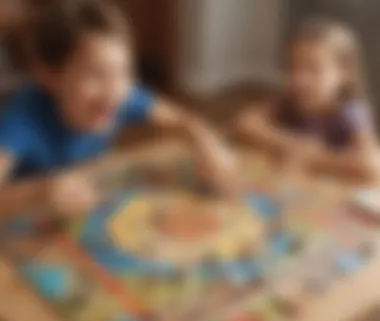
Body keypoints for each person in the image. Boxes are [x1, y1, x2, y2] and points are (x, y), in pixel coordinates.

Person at [0, 0, 238, 215]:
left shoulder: (119, 95)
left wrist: (206, 141)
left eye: (123, 72)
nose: (113, 90)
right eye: (95, 74)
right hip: (29, 222)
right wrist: (41, 191)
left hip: (85, 206)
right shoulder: (22, 119)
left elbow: (181, 120)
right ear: (48, 76)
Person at [236, 18, 379, 178]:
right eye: (292, 67)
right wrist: (292, 144)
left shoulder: (350, 111)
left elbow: (371, 166)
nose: (299, 79)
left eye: (313, 69)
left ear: (345, 71)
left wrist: (314, 157)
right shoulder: (290, 99)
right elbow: (245, 124)